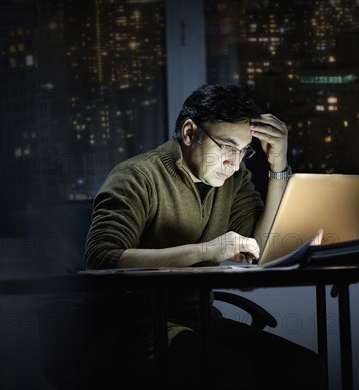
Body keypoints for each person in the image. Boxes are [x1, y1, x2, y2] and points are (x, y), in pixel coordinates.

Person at [84, 84, 325, 389]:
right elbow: (101, 260)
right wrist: (206, 251)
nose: (234, 162)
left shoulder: (235, 179)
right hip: (133, 328)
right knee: (228, 371)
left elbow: (260, 248)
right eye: (226, 146)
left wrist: (277, 167)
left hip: (199, 321)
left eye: (243, 150)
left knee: (301, 366)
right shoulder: (136, 177)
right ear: (189, 133)